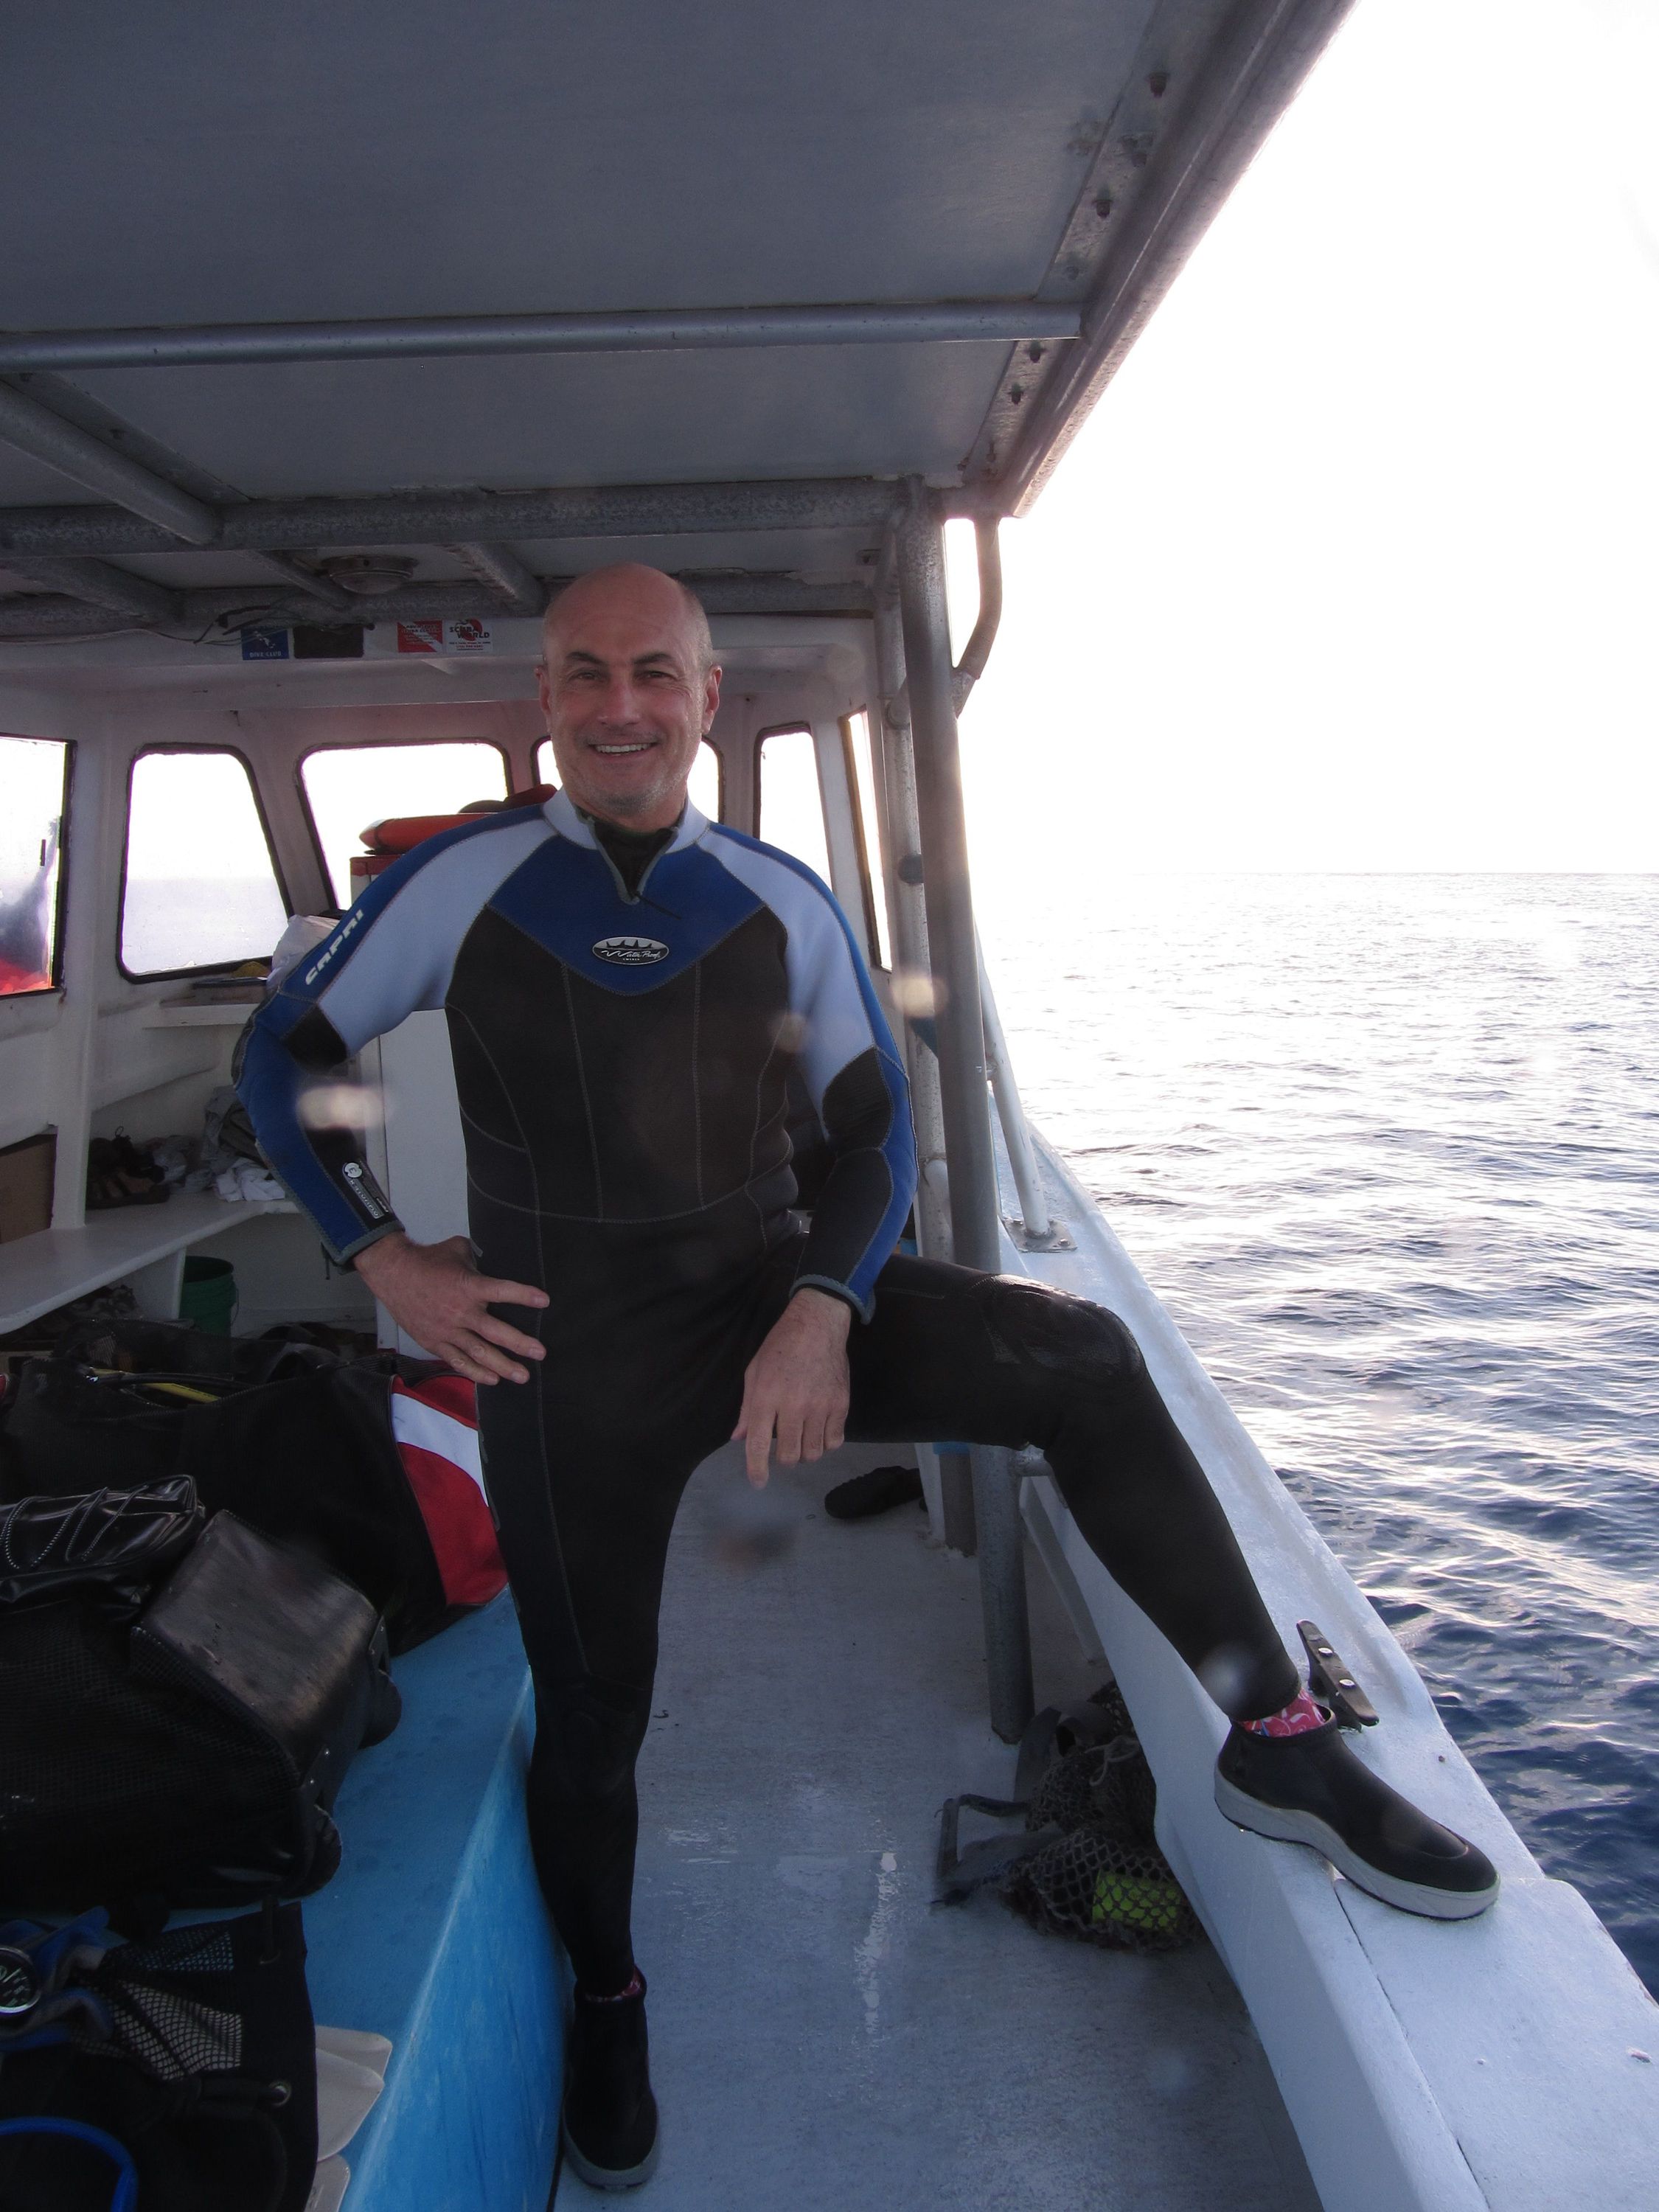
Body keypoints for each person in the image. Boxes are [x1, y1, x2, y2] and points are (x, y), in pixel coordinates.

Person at [238, 564, 1498, 2191]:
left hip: (769, 1293)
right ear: (543, 704)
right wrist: (382, 1256)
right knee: (598, 1716)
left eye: (655, 674)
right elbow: (285, 1050)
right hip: (572, 1345)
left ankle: (1278, 1742)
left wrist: (825, 1304)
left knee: (1083, 1358)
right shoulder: (463, 886)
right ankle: (610, 2006)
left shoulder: (776, 897)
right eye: (583, 675)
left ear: (707, 698)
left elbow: (871, 1128)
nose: (620, 705)